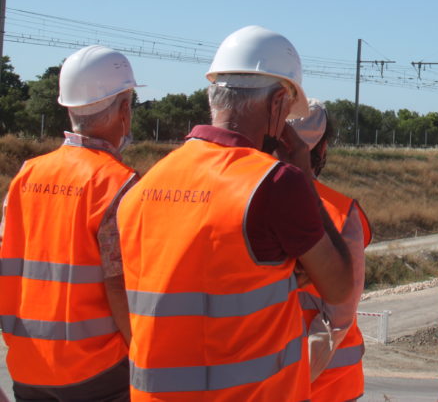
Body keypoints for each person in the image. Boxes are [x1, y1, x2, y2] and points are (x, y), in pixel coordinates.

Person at [117, 25, 353, 401]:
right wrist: (304, 173)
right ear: (277, 103)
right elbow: (340, 286)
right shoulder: (275, 183)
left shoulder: (143, 186)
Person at [0, 45, 141, 401]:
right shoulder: (117, 183)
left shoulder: (27, 174)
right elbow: (118, 285)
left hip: (29, 364)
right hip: (98, 372)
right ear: (124, 109)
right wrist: (144, 355)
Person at [289, 99, 372, 402]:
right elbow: (340, 315)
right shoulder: (340, 211)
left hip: (265, 380)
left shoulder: (245, 196)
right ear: (321, 150)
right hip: (333, 383)